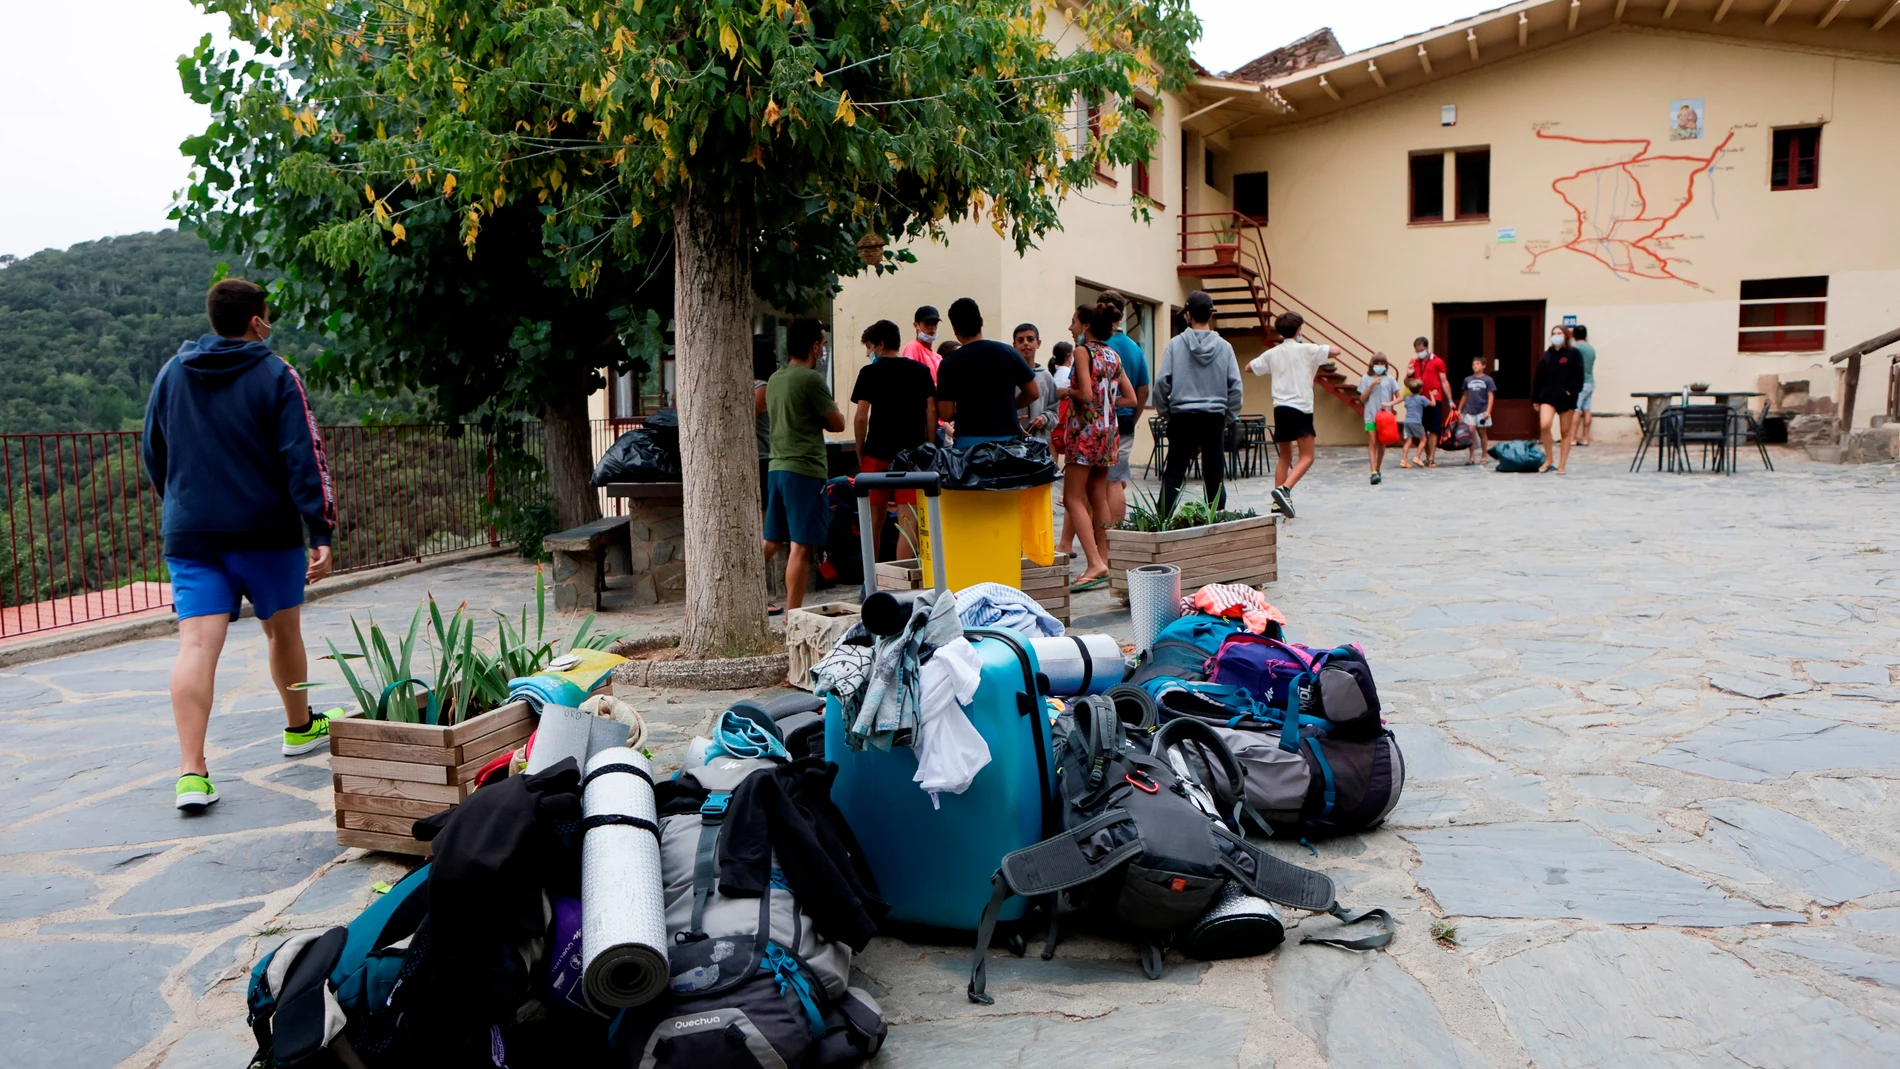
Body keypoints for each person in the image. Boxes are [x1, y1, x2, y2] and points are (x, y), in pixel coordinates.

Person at [142, 279, 336, 811]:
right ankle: (298, 727)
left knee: (196, 646)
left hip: (192, 531)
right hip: (265, 531)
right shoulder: (276, 374)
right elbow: (305, 454)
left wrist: (181, 502)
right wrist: (319, 527)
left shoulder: (172, 373)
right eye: (266, 315)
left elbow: (153, 450)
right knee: (282, 630)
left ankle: (191, 773)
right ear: (256, 321)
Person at [764, 318, 846, 612]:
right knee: (801, 545)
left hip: (777, 468)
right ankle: (793, 616)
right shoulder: (812, 380)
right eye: (823, 344)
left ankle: (740, 595)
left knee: (771, 542)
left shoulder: (776, 379)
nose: (823, 350)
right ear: (814, 346)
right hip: (805, 471)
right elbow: (838, 423)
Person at [1061, 301, 1137, 589]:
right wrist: (1106, 402)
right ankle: (1104, 558)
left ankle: (1094, 562)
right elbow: (1130, 399)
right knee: (1098, 496)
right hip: (1109, 433)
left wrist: (1064, 391)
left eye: (1074, 321)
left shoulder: (1082, 351)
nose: (1071, 327)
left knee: (1072, 498)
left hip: (1085, 432)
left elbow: (1083, 392)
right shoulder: (1113, 355)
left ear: (1087, 325)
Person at [851, 319, 936, 563]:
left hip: (876, 452)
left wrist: (859, 449)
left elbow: (860, 416)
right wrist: (928, 444)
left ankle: (871, 579)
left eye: (869, 346)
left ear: (880, 343)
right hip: (912, 455)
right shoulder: (920, 371)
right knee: (908, 520)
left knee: (872, 521)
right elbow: (931, 410)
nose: (869, 353)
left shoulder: (869, 372)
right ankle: (901, 578)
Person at [1154, 290, 1243, 515]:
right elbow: (1236, 388)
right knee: (1213, 469)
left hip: (1182, 415)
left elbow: (1161, 385)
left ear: (1188, 315)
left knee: (1174, 469)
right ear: (1211, 315)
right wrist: (1227, 415)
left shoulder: (1175, 345)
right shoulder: (1225, 347)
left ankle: (1163, 517)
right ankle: (1217, 514)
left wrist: (1167, 412)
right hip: (1213, 416)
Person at [1247, 311, 1338, 519]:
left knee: (1285, 456)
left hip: (1280, 409)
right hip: (1301, 408)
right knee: (1307, 456)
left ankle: (1277, 504)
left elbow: (1249, 367)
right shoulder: (1307, 350)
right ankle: (1285, 489)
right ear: (1299, 330)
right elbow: (1336, 351)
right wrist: (1314, 349)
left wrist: (1274, 368)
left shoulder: (1273, 353)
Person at [934, 297, 1037, 450]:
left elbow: (946, 413)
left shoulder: (949, 363)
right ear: (981, 322)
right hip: (1007, 443)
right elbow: (1033, 392)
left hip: (968, 443)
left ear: (955, 330)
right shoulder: (1008, 352)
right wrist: (1008, 405)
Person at [1096, 290, 1149, 528]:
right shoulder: (1134, 348)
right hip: (1126, 420)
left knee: (1102, 482)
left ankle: (1105, 534)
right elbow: (1144, 389)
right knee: (1116, 480)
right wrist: (1133, 417)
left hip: (1098, 420)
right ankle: (1115, 534)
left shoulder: (1095, 345)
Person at [1534, 325, 1586, 474]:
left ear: (1566, 336)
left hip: (1566, 398)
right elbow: (1539, 378)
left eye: (1559, 333)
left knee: (1565, 431)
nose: (1556, 336)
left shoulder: (1573, 353)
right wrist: (1535, 398)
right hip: (1547, 396)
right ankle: (1549, 458)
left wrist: (1571, 391)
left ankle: (1562, 464)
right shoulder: (1547, 355)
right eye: (1554, 333)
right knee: (1545, 425)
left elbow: (1579, 375)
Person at [1408, 336, 1456, 468]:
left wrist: (1450, 400)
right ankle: (1426, 456)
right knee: (1421, 430)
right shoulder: (1413, 362)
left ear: (1427, 348)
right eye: (1417, 351)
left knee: (1434, 429)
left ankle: (1431, 458)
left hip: (1435, 399)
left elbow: (1444, 381)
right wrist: (1409, 374)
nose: (1419, 353)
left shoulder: (1437, 362)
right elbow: (1408, 384)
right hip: (1418, 401)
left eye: (1421, 350)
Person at [1357, 353, 1400, 485]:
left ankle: (1378, 468)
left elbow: (1399, 397)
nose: (1380, 366)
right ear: (1372, 365)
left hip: (1385, 418)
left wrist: (1389, 404)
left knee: (1382, 443)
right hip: (1370, 415)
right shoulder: (1365, 378)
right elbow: (1362, 399)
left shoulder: (1390, 379)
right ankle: (1373, 472)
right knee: (1372, 441)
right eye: (1377, 364)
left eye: (1382, 364)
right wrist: (1371, 387)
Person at [1014, 323, 1057, 445]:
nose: (1026, 343)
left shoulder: (1046, 376)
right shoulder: (1008, 375)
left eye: (1030, 339)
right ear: (1014, 345)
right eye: (1021, 340)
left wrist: (1045, 417)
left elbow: (1054, 409)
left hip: (1039, 441)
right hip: (1014, 441)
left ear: (1038, 343)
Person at [752, 335, 778, 507]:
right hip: (753, 456)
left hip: (763, 457)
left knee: (763, 509)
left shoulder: (762, 387)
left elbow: (748, 414)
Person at [1460, 357, 1497, 465]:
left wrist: (1488, 411)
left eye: (1477, 364)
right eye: (1473, 364)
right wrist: (1459, 409)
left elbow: (1491, 396)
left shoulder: (1488, 380)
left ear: (1483, 366)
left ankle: (1484, 454)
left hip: (1482, 409)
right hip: (1470, 409)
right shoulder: (1468, 380)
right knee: (1471, 431)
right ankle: (1471, 456)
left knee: (1482, 432)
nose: (1475, 366)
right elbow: (1465, 395)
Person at [1571, 324, 1597, 447]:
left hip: (1579, 382)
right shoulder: (1591, 349)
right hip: (1590, 381)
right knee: (1587, 409)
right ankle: (1585, 438)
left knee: (1576, 410)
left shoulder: (1575, 348)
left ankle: (1572, 438)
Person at [901, 305, 942, 379]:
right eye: (927, 323)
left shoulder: (938, 357)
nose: (932, 327)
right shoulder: (913, 347)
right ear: (916, 325)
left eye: (935, 323)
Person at [1399, 380, 1432, 469]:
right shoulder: (1421, 398)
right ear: (1420, 389)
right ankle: (1417, 457)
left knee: (1408, 441)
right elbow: (1433, 404)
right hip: (1416, 421)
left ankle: (1404, 460)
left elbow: (1406, 406)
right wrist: (1432, 396)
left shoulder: (1407, 398)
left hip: (1407, 421)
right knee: (1423, 439)